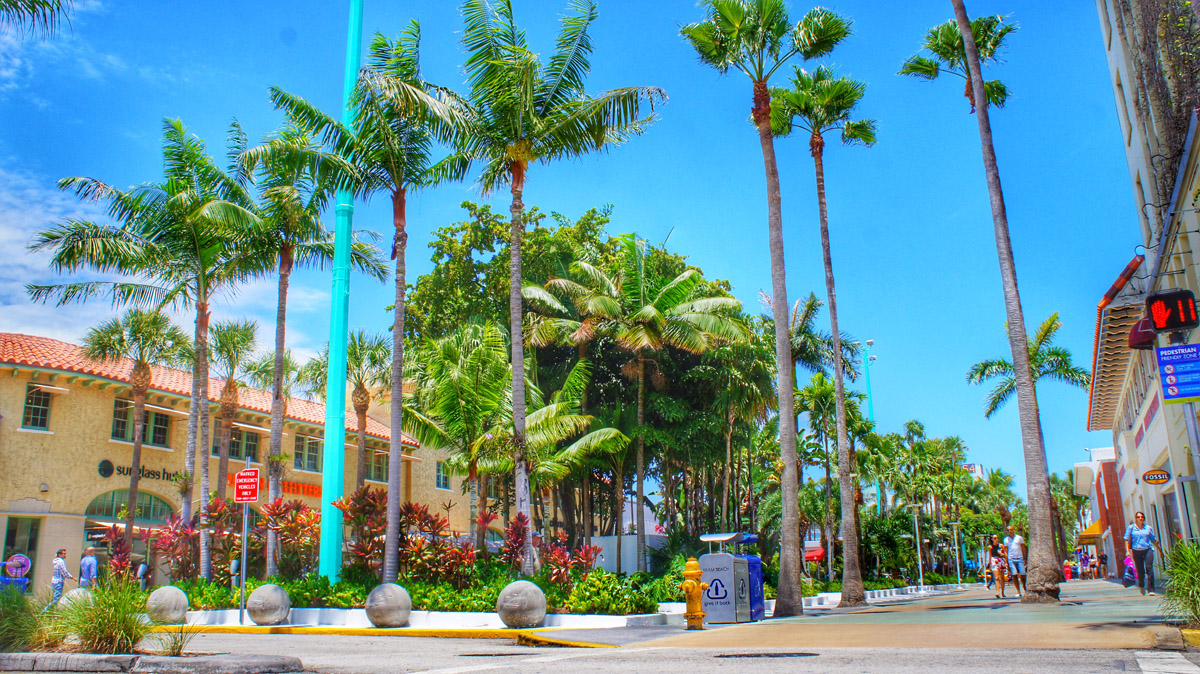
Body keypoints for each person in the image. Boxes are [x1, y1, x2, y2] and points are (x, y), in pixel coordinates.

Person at [1125, 511, 1165, 596]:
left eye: (1142, 517)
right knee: (1140, 570)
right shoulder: (1131, 528)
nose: (1140, 518)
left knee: (1149, 568)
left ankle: (1151, 589)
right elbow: (1127, 540)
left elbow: (1153, 540)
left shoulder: (1148, 528)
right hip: (1136, 551)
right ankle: (1141, 585)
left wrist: (1160, 550)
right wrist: (1128, 551)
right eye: (1139, 517)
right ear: (1136, 519)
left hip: (1148, 550)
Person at [1004, 525, 1027, 598]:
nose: (1010, 531)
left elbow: (1023, 548)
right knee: (1014, 575)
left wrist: (1025, 558)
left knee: (1023, 575)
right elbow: (1006, 550)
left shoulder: (1019, 538)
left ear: (1014, 530)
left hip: (1020, 558)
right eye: (1008, 530)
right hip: (1011, 559)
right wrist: (1006, 560)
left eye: (1011, 529)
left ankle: (1025, 589)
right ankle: (1018, 592)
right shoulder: (1006, 539)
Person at [988, 534, 1008, 598]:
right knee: (996, 578)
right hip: (994, 560)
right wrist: (989, 564)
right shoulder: (990, 547)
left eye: (997, 538)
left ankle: (1002, 592)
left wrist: (1006, 561)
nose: (996, 539)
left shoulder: (1001, 545)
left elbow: (1005, 553)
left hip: (1001, 560)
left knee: (1002, 577)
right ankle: (997, 592)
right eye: (995, 538)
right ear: (992, 539)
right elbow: (990, 556)